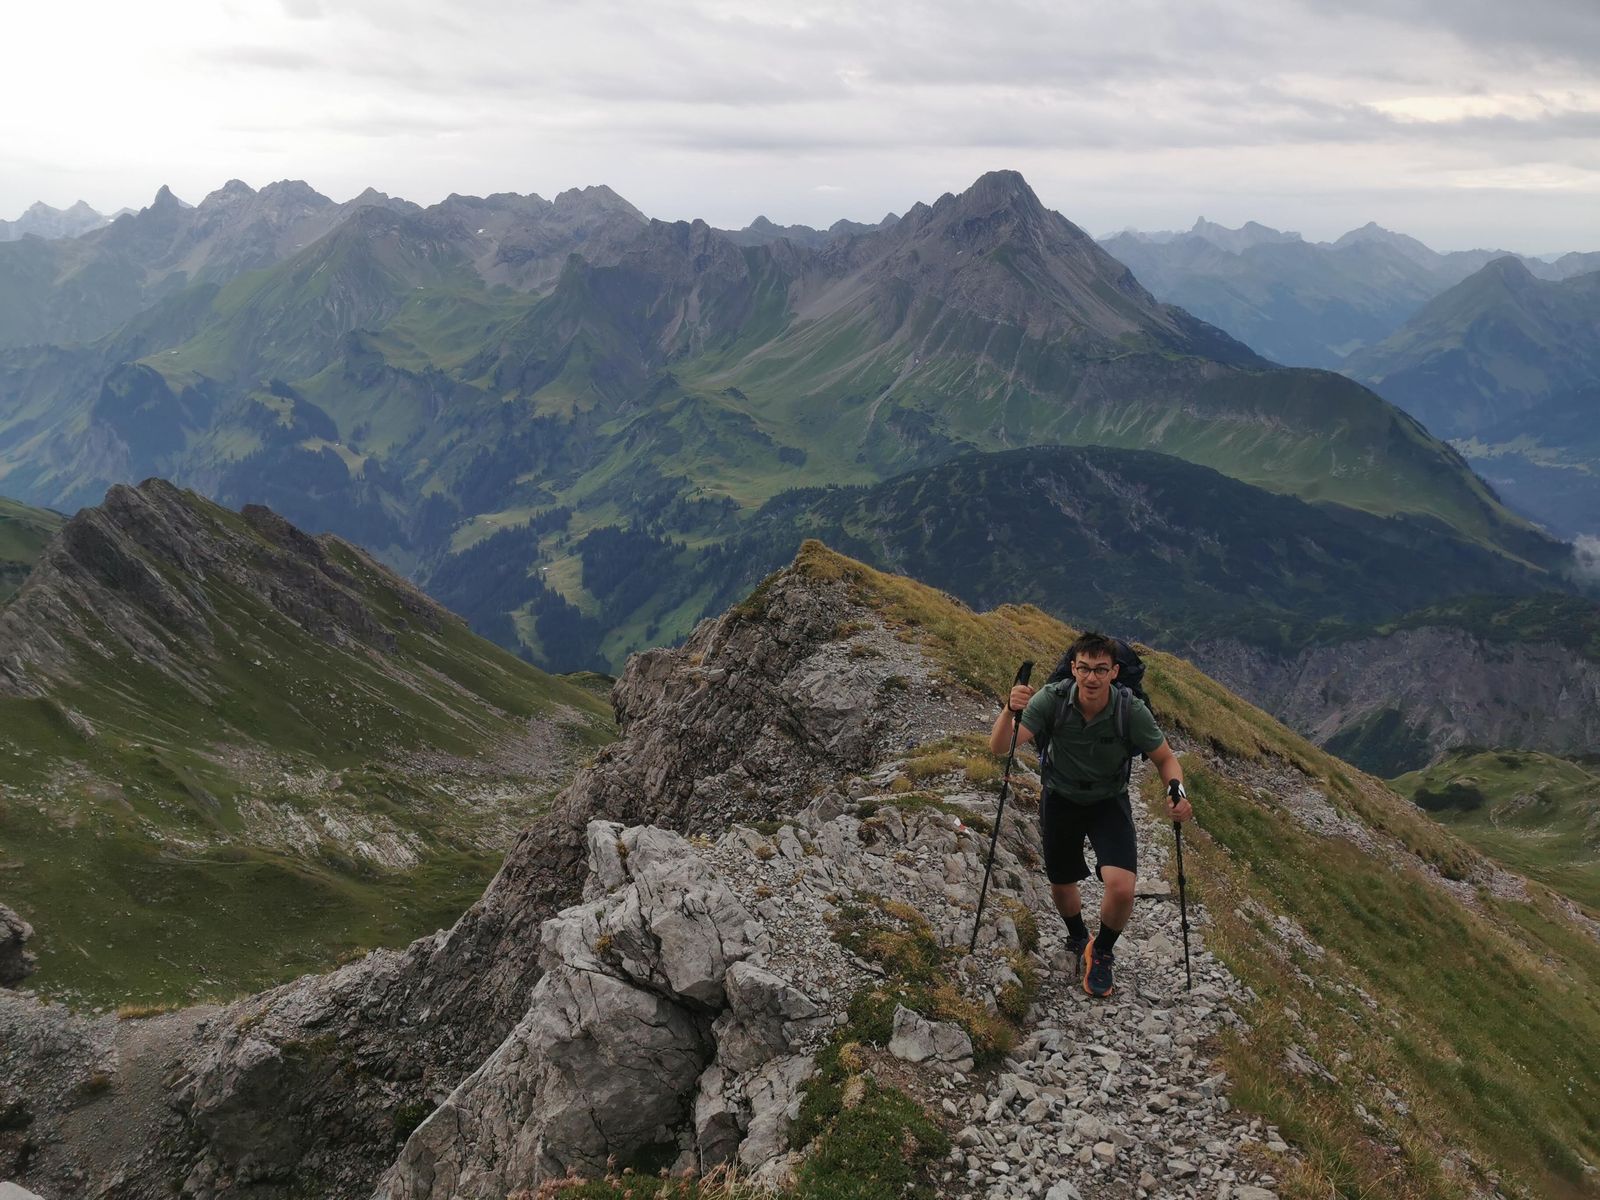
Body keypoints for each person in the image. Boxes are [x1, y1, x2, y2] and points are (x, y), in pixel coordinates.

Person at [988, 632, 1192, 997]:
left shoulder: (1131, 710)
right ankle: (1078, 935)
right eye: (1085, 669)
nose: (1092, 678)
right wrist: (1009, 709)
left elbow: (1165, 758)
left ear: (1114, 672)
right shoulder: (1052, 700)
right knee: (1061, 883)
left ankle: (1101, 952)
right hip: (1060, 797)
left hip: (1108, 802)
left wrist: (1176, 789)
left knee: (1122, 887)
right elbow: (1000, 747)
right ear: (1073, 669)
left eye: (1101, 669)